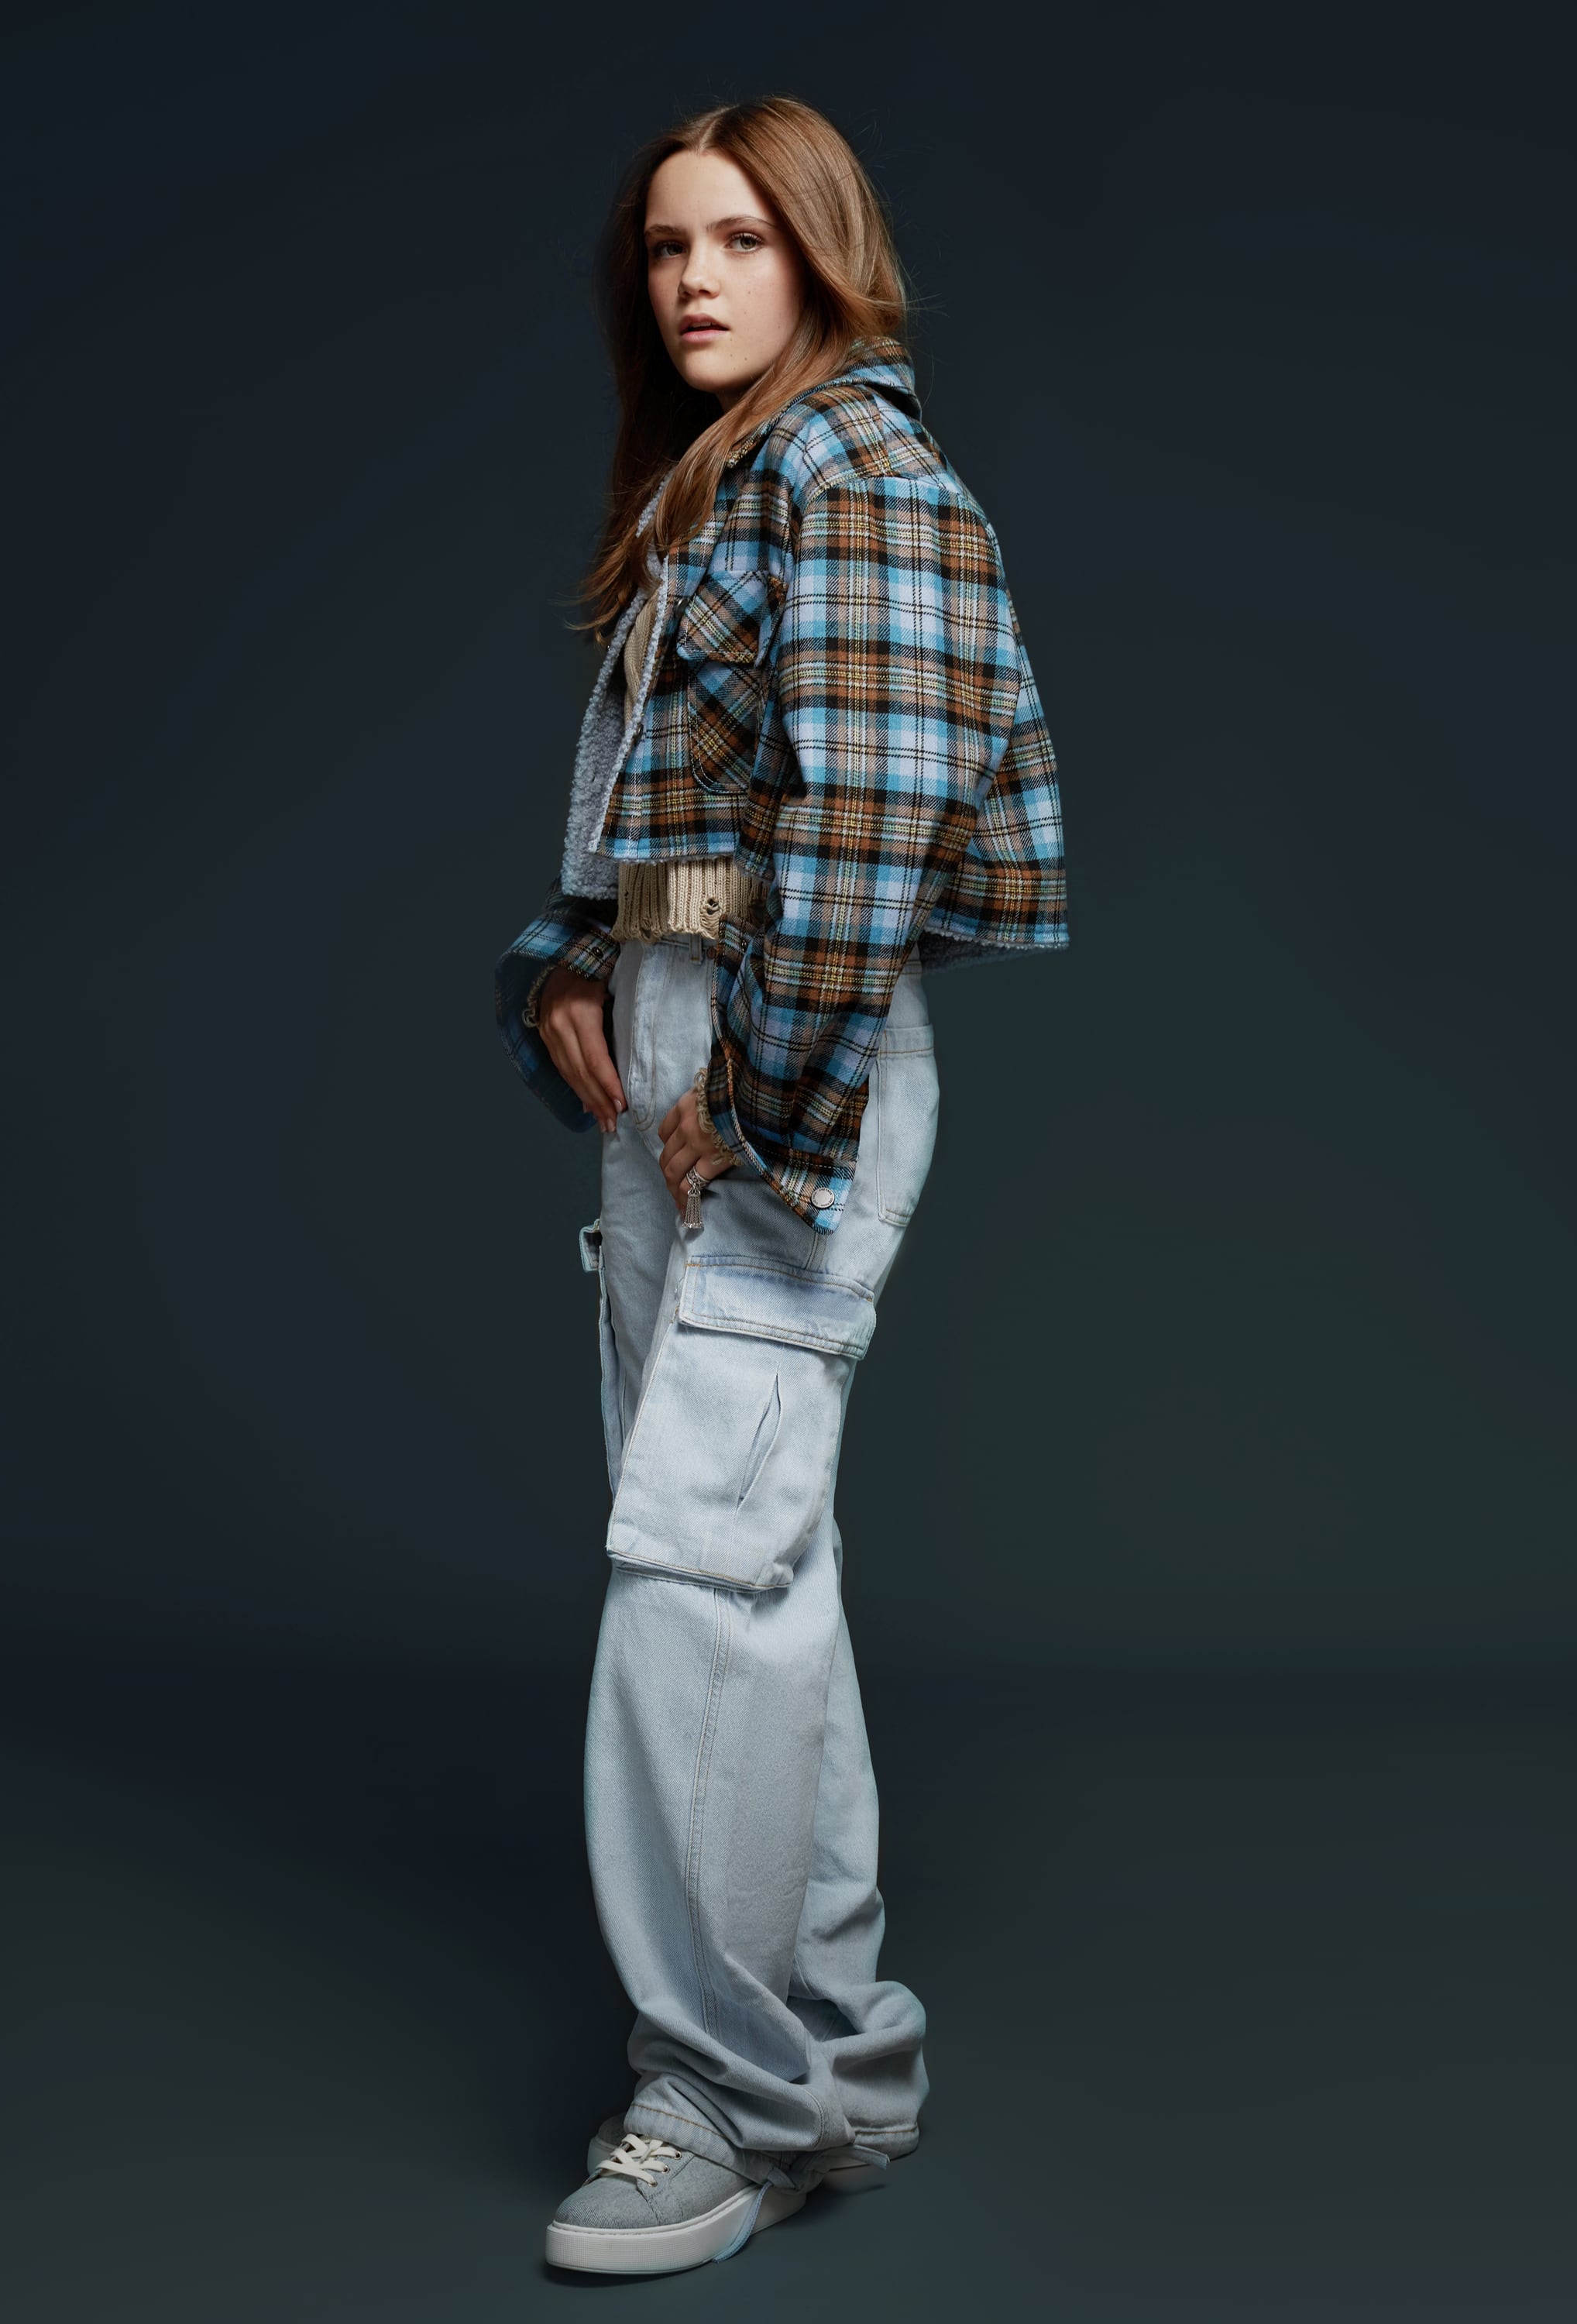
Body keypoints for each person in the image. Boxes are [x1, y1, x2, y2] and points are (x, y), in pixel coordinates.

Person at [494, 94, 1067, 2276]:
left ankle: (720, 2104)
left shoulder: (864, 482)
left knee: (697, 1572)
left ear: (828, 254)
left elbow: (869, 826)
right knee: (755, 1566)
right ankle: (831, 2057)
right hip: (693, 1041)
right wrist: (573, 958)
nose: (695, 280)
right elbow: (685, 817)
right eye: (667, 246)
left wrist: (763, 1095)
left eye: (741, 239)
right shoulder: (721, 480)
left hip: (768, 1065)